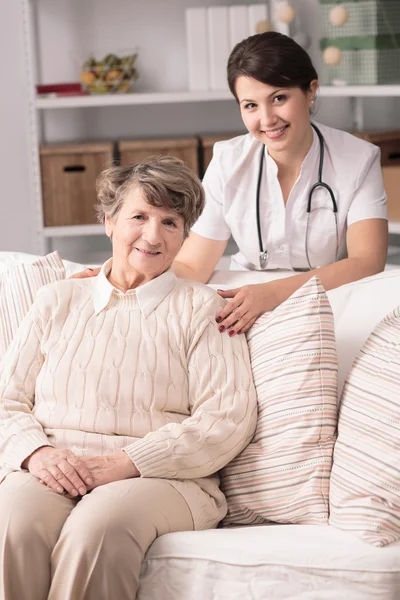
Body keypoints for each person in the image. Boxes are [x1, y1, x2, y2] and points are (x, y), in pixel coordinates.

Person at [0, 156, 257, 600]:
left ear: (184, 234)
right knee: (11, 521)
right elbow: (7, 400)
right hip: (55, 462)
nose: (153, 235)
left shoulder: (204, 308)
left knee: (96, 530)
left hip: (163, 478)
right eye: (139, 216)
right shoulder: (56, 300)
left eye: (170, 222)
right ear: (109, 222)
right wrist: (38, 454)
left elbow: (227, 418)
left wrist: (126, 463)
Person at [73, 32, 388, 336]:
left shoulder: (358, 159)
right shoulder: (228, 160)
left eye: (279, 98)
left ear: (310, 91)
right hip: (242, 303)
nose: (266, 120)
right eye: (250, 105)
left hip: (328, 300)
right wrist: (125, 274)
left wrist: (270, 295)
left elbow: (367, 261)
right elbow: (194, 264)